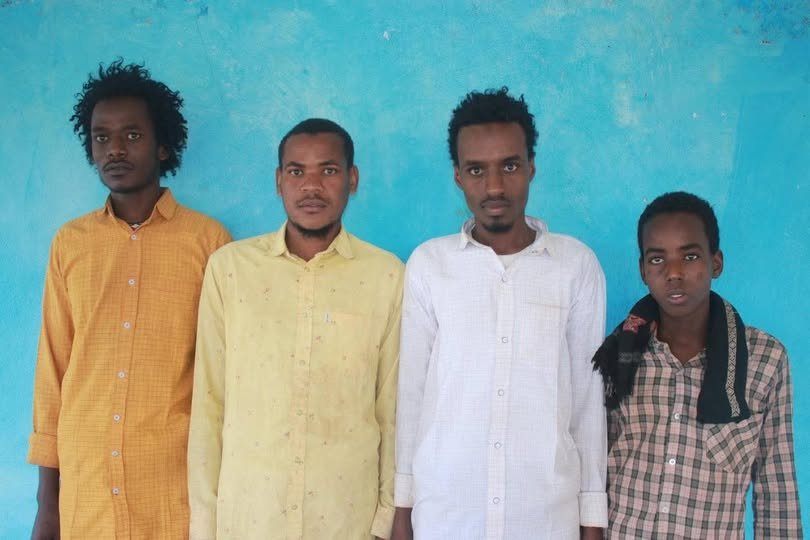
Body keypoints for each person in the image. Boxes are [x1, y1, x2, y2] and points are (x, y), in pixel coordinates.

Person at [28, 59, 231, 540]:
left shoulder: (209, 243)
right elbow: (53, 368)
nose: (115, 149)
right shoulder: (70, 244)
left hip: (171, 490)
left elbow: (223, 372)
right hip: (87, 490)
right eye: (101, 137)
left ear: (163, 145)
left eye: (132, 135)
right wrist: (48, 506)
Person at [393, 88, 608, 540]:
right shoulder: (429, 265)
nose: (494, 187)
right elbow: (411, 395)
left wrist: (592, 519)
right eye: (476, 170)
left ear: (531, 167)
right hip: (447, 517)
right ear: (458, 176)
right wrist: (402, 509)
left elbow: (589, 402)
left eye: (509, 166)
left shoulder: (576, 266)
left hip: (544, 519)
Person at [188, 118, 404, 539]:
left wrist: (385, 520)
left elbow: (393, 411)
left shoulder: (387, 276)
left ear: (352, 179)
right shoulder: (230, 270)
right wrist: (205, 526)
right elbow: (208, 405)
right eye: (296, 171)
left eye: (328, 170)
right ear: (278, 181)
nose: (311, 186)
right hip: (249, 521)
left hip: (345, 522)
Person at [592, 191, 803, 538]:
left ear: (716, 263)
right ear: (643, 270)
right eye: (657, 259)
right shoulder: (616, 357)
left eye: (689, 256)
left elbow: (776, 490)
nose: (674, 273)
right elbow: (590, 471)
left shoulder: (765, 360)